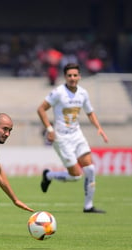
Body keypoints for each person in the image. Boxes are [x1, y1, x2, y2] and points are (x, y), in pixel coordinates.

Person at [37, 63, 109, 213]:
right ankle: (48, 175)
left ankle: (88, 206)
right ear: (65, 77)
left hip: (77, 135)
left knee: (90, 168)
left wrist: (99, 128)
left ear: (79, 76)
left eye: (75, 75)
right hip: (62, 139)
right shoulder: (58, 92)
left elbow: (90, 112)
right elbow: (41, 109)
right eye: (69, 75)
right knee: (75, 176)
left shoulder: (83, 93)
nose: (72, 78)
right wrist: (49, 129)